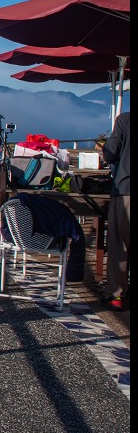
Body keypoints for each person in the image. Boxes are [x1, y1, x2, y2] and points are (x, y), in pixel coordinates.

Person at [101, 111, 130, 310]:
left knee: (119, 244)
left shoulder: (125, 120)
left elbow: (111, 152)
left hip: (125, 189)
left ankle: (116, 295)